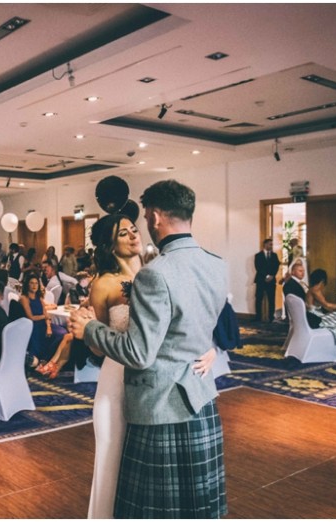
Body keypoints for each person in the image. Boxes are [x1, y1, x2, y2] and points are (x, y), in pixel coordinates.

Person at [70, 180, 227, 518]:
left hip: (159, 404)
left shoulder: (154, 275)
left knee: (156, 508)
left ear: (155, 217)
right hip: (201, 397)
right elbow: (207, 324)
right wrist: (210, 347)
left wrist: (89, 329)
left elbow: (141, 353)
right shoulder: (217, 264)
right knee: (198, 503)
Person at [18, 273, 70, 378]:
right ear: (27, 285)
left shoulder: (39, 298)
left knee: (63, 333)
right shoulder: (24, 298)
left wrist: (49, 327)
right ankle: (39, 361)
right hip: (32, 325)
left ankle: (49, 360)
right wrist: (45, 317)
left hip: (43, 324)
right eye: (31, 283)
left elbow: (46, 315)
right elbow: (31, 317)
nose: (34, 286)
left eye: (36, 283)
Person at [282, 260, 321, 328]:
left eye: (303, 271)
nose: (303, 273)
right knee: (325, 318)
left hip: (303, 311)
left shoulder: (299, 283)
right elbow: (297, 302)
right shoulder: (290, 284)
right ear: (293, 272)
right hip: (300, 315)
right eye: (300, 271)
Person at [254, 238, 280, 322]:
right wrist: (266, 275)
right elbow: (258, 267)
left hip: (271, 280)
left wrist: (272, 275)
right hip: (261, 280)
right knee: (258, 299)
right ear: (265, 245)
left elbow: (276, 266)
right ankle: (258, 317)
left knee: (271, 299)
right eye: (270, 244)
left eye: (272, 244)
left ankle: (271, 317)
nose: (271, 246)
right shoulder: (258, 255)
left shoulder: (274, 255)